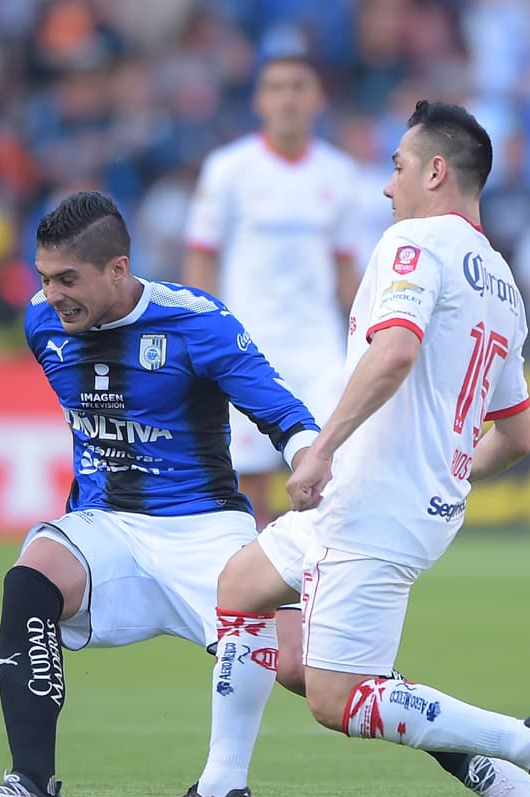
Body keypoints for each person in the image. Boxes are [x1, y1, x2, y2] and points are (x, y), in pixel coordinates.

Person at [0, 190, 530, 797]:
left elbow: (281, 411)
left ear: (118, 269)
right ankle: (32, 789)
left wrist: (311, 462)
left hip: (205, 531)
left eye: (68, 279)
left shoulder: (197, 322)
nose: (52, 295)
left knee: (314, 668)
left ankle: (478, 760)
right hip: (108, 525)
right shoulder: (42, 324)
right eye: (44, 278)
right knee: (30, 582)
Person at [143, 101, 530, 797]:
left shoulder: (414, 242)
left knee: (338, 698)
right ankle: (222, 788)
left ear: (434, 170)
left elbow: (394, 352)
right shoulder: (505, 284)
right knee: (241, 587)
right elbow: (517, 434)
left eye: (396, 167)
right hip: (396, 501)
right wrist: (450, 473)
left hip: (369, 499)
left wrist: (321, 448)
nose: (386, 187)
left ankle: (526, 742)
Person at [183, 53, 359, 526]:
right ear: (259, 100)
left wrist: (371, 339)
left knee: (332, 468)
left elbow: (347, 272)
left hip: (317, 345)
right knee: (250, 481)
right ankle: (256, 595)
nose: (288, 98)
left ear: (318, 99)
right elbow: (202, 256)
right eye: (277, 87)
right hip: (247, 344)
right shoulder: (228, 169)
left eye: (299, 86)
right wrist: (202, 338)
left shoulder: (341, 175)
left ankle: (314, 585)